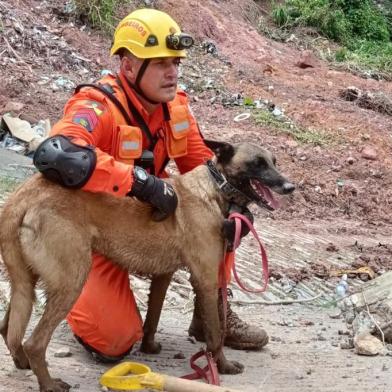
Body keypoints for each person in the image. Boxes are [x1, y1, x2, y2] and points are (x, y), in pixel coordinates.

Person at [37, 8, 268, 362]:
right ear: (129, 66)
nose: (172, 71)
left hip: (145, 226)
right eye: (160, 62)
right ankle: (74, 296)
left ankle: (212, 315)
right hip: (90, 233)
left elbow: (209, 177)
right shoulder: (98, 107)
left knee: (222, 222)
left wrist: (238, 211)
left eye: (175, 61)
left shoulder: (176, 111)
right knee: (114, 341)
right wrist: (139, 181)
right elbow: (56, 153)